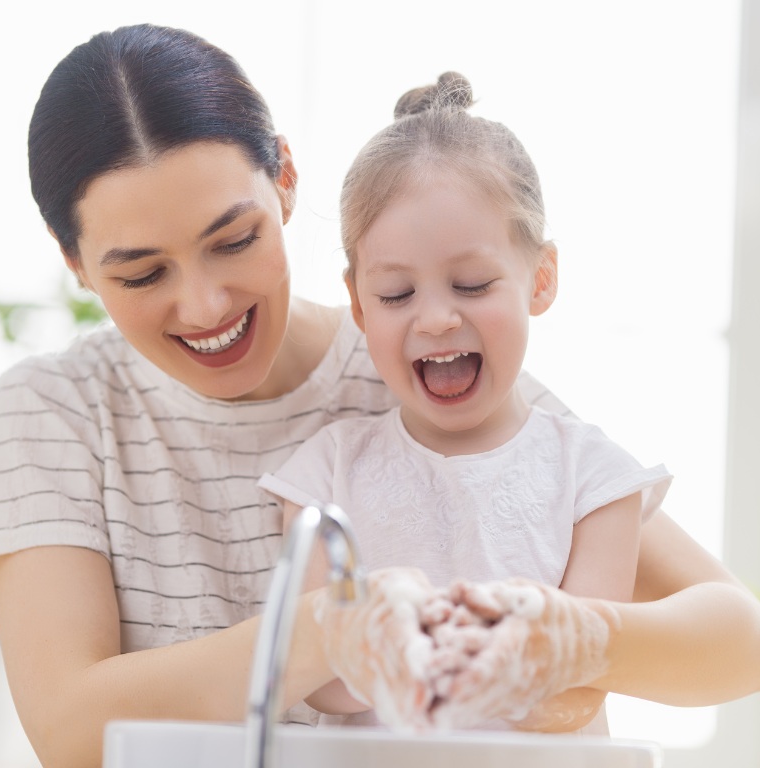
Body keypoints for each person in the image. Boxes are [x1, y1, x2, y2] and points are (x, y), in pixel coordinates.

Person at [0, 23, 760, 768]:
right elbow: (71, 733)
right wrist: (319, 637)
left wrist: (576, 639)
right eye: (142, 271)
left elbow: (742, 643)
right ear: (75, 260)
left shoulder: (422, 366)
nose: (204, 306)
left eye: (234, 240)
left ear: (287, 181)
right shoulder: (55, 414)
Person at [257, 73, 671, 733]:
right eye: (396, 295)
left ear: (541, 279)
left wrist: (517, 651)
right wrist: (377, 644)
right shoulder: (323, 475)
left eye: (473, 284)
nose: (438, 319)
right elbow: (318, 688)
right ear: (359, 304)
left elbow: (578, 696)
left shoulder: (595, 480)